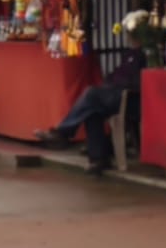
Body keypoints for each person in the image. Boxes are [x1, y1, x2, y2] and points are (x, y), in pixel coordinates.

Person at [34, 12, 146, 175]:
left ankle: (63, 133)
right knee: (92, 110)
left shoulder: (144, 55)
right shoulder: (128, 54)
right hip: (114, 94)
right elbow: (114, 76)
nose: (130, 37)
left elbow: (137, 82)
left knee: (91, 94)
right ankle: (98, 159)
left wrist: (112, 86)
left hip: (128, 98)